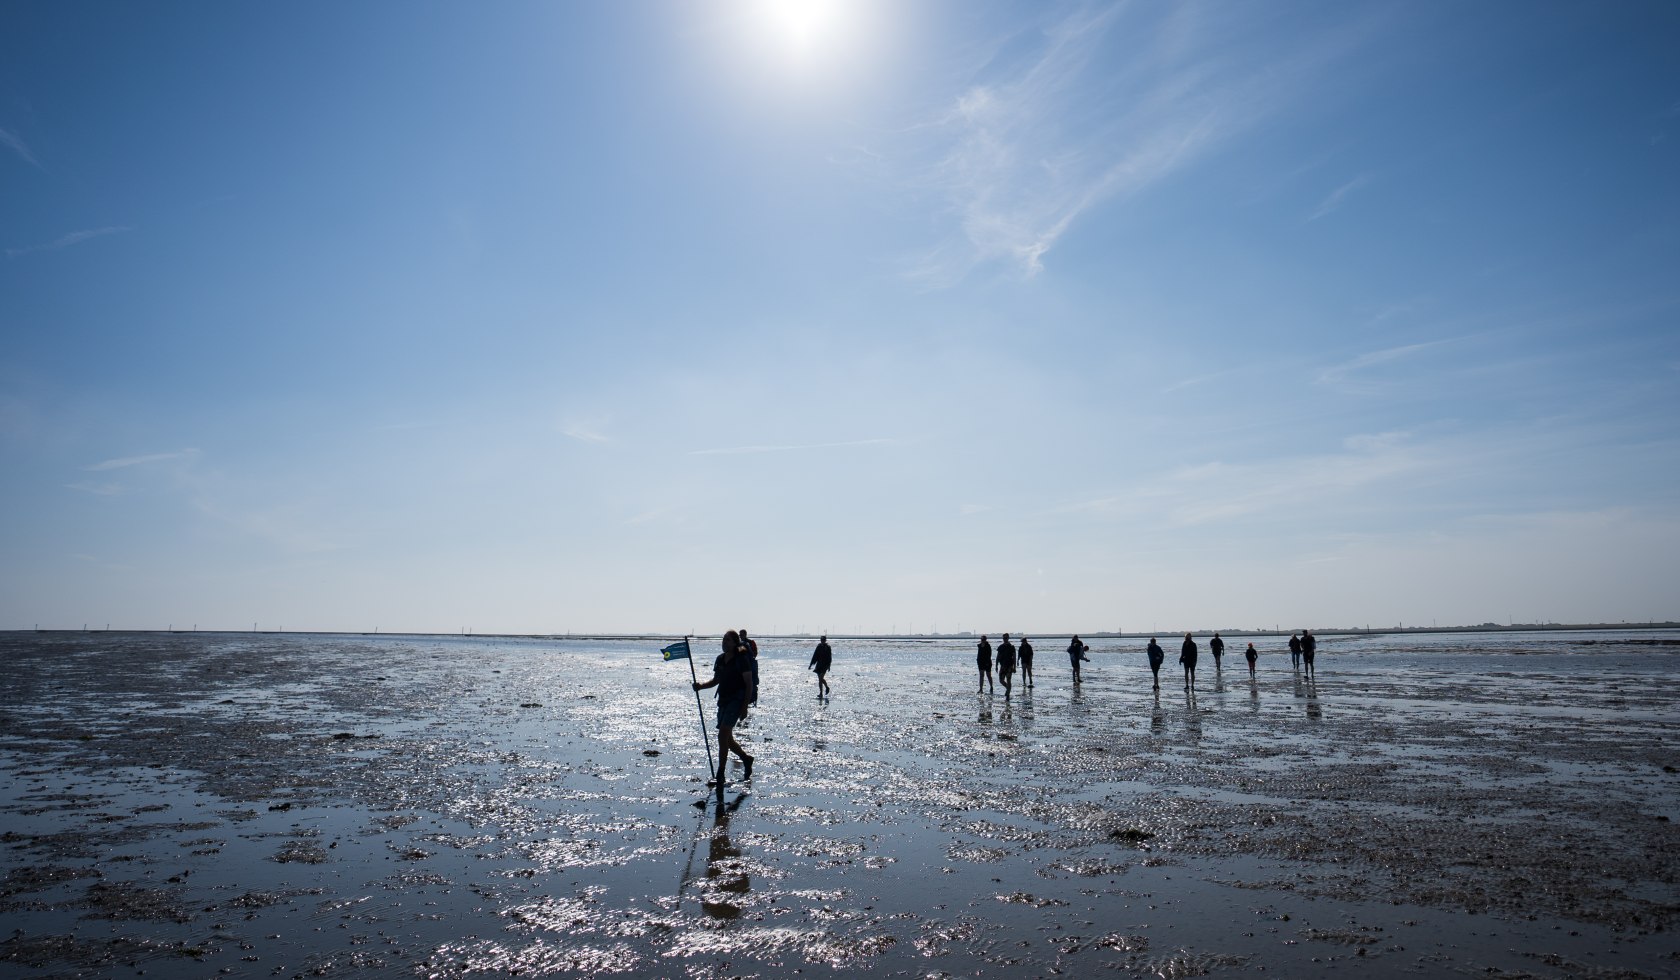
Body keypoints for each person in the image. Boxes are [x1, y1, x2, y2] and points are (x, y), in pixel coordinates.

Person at [693, 631, 755, 788]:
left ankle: (720, 774)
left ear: (735, 643)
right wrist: (700, 686)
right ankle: (746, 758)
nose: (724, 643)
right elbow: (716, 681)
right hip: (724, 700)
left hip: (737, 700)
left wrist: (744, 707)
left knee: (722, 735)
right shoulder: (720, 659)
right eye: (723, 640)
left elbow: (749, 684)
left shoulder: (741, 659)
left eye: (728, 640)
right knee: (727, 738)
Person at [738, 628, 760, 709]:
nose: (741, 636)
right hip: (743, 666)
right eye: (740, 635)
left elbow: (754, 653)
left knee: (753, 683)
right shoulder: (739, 644)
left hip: (751, 665)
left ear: (745, 634)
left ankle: (752, 700)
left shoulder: (750, 642)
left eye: (742, 634)